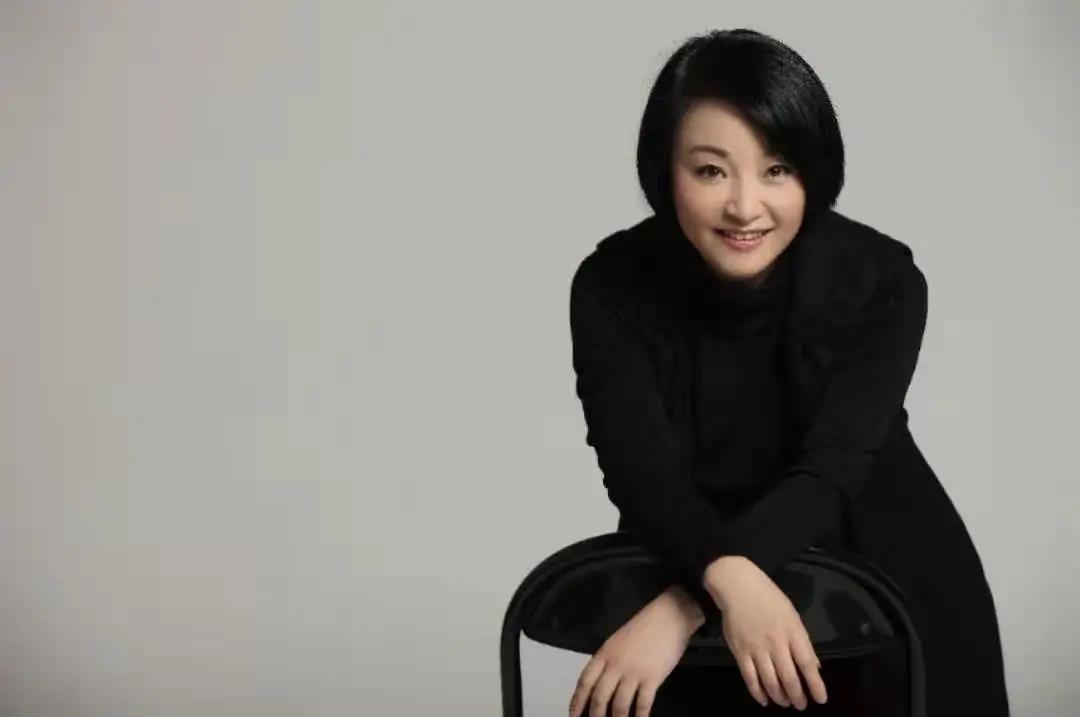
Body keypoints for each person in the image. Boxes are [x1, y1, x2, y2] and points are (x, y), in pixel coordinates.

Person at [566, 28, 1010, 716]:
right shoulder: (610, 286)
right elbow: (638, 472)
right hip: (686, 555)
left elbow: (830, 470)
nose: (745, 207)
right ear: (665, 170)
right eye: (711, 171)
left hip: (878, 581)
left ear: (813, 171)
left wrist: (687, 605)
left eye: (777, 170)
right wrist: (724, 588)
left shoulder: (882, 281)